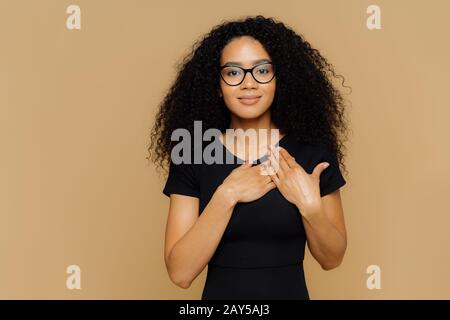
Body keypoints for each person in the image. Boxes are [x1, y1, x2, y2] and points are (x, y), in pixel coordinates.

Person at [148, 15, 350, 300]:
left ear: (280, 79)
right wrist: (227, 195)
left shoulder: (312, 151)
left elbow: (332, 259)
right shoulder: (192, 151)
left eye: (262, 70)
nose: (248, 84)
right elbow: (180, 273)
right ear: (216, 85)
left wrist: (310, 206)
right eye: (233, 73)